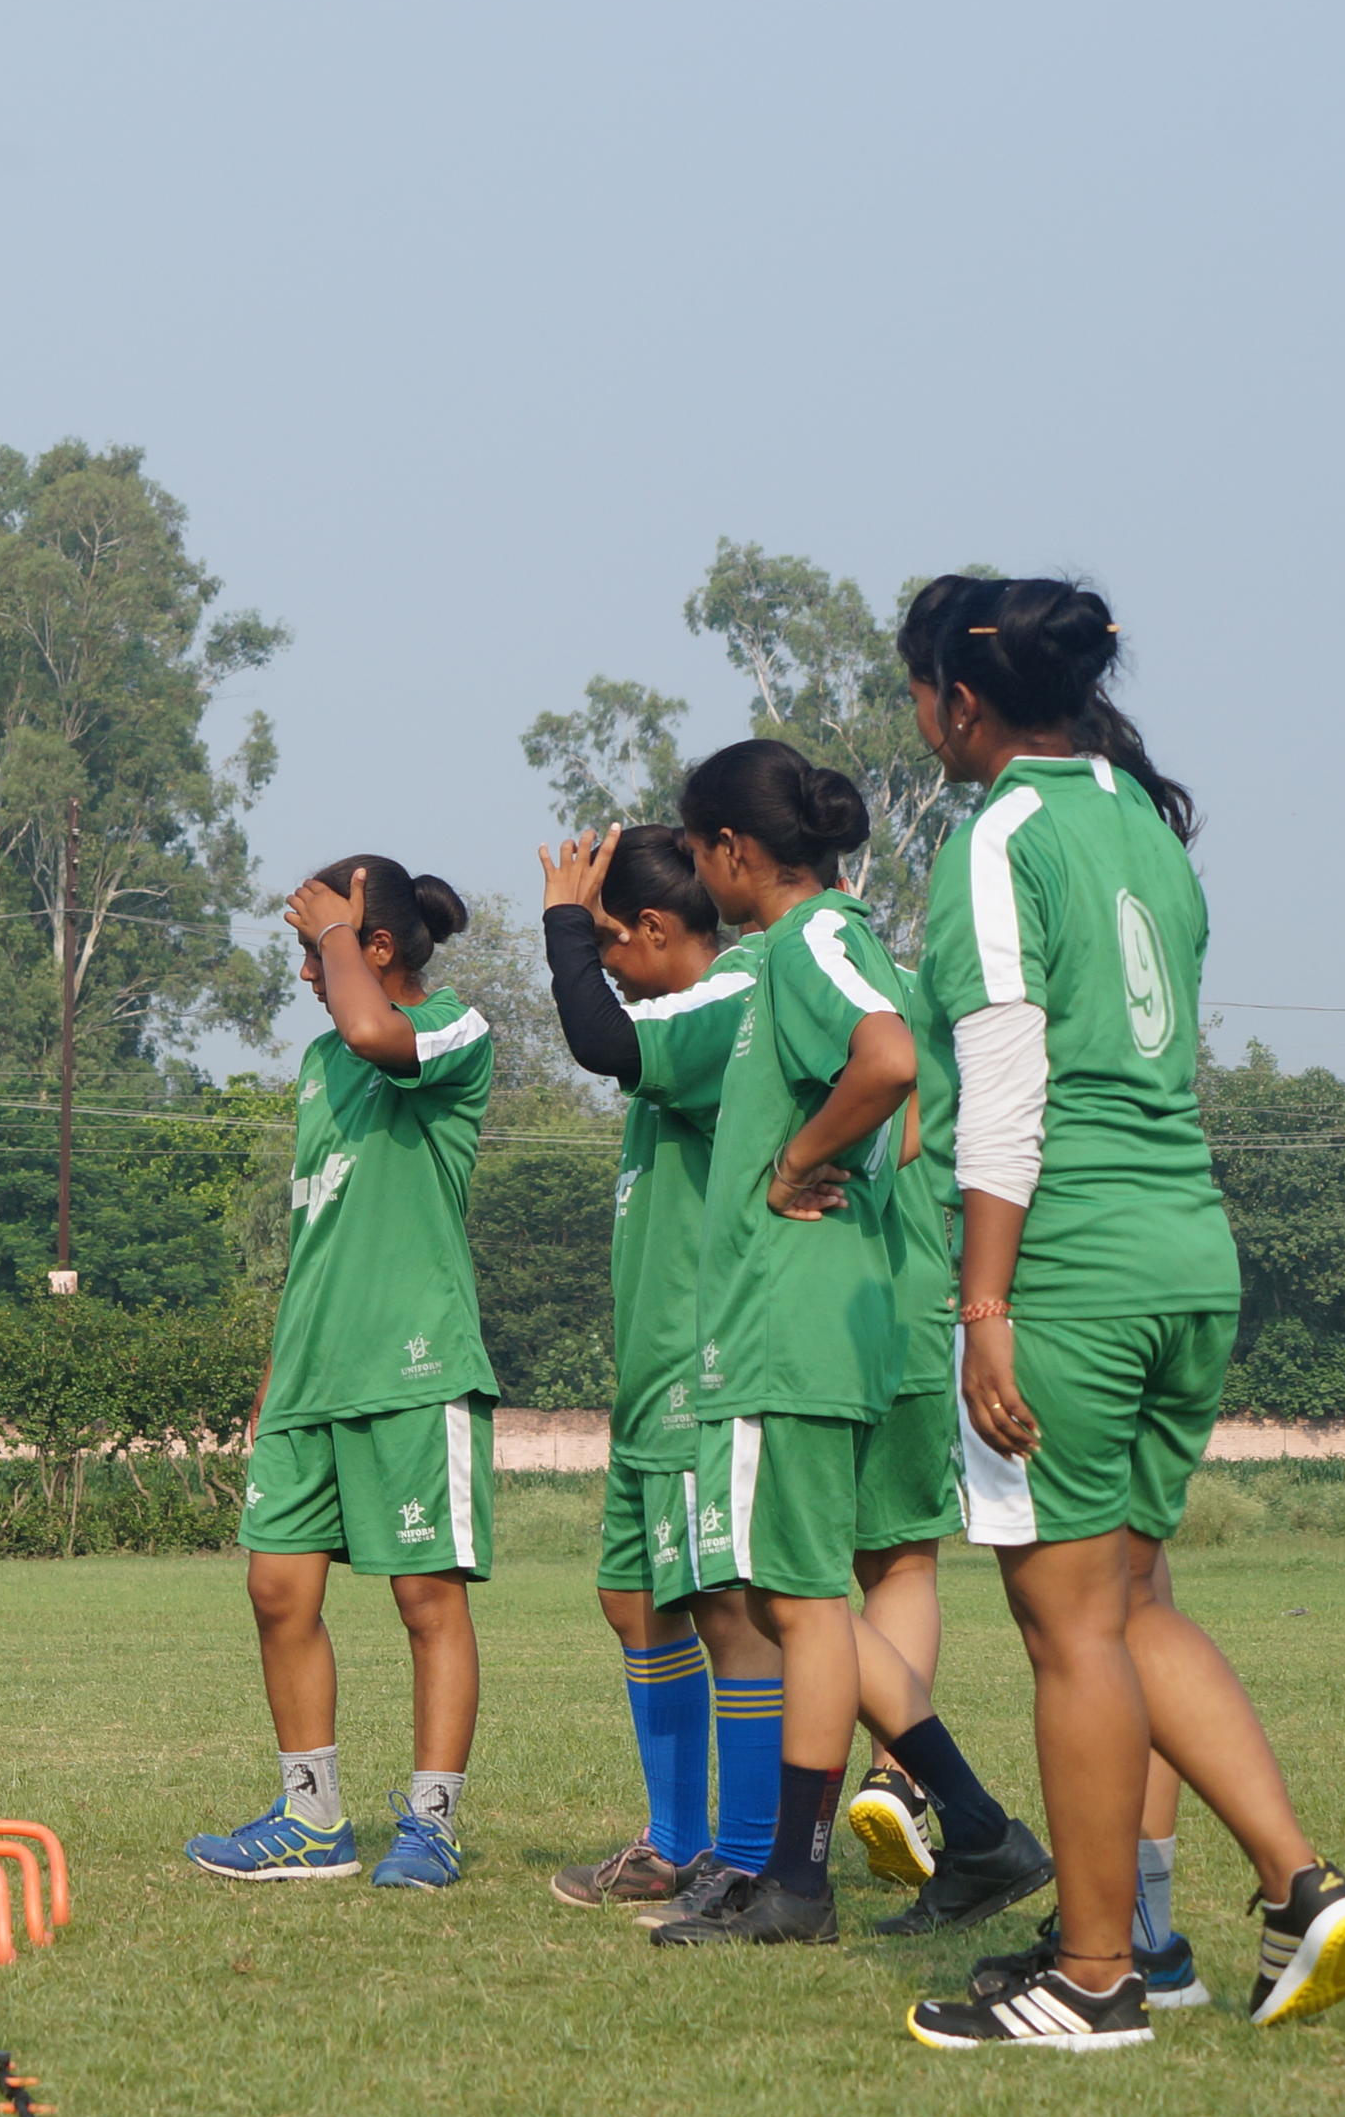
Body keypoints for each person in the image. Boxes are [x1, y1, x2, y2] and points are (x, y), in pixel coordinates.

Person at [891, 577, 1345, 2050]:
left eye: (920, 696)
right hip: (1187, 1254)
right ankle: (1289, 1889)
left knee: (1067, 1631)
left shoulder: (1000, 835)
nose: (921, 722)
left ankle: (1097, 1977)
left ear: (962, 700)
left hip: (1072, 1269)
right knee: (1133, 1604)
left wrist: (985, 1301)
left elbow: (1005, 1076)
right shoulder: (1144, 824)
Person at [652, 741, 1035, 1950]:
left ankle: (797, 1887)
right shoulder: (835, 943)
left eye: (697, 850)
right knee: (810, 1595)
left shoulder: (811, 939)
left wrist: (798, 1161)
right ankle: (977, 1832)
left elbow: (887, 1063)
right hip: (842, 1319)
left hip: (792, 1321)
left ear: (733, 853)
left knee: (799, 1601)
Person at [185, 854, 495, 1890]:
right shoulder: (319, 1066)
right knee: (275, 1587)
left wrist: (331, 936)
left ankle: (431, 1823)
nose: (307, 974)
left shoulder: (454, 1025)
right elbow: (318, 1225)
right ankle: (312, 1819)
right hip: (312, 1372)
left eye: (323, 947)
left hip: (412, 1365)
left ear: (375, 945)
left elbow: (376, 1030)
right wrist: (279, 1362)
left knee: (424, 1602)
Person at [534, 825, 759, 1908]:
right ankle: (674, 1842)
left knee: (725, 1606)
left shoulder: (713, 1012)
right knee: (631, 1596)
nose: (608, 970)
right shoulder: (681, 1021)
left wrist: (562, 930)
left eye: (617, 945)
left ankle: (749, 1855)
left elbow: (596, 1038)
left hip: (700, 1361)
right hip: (649, 1367)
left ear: (658, 930)